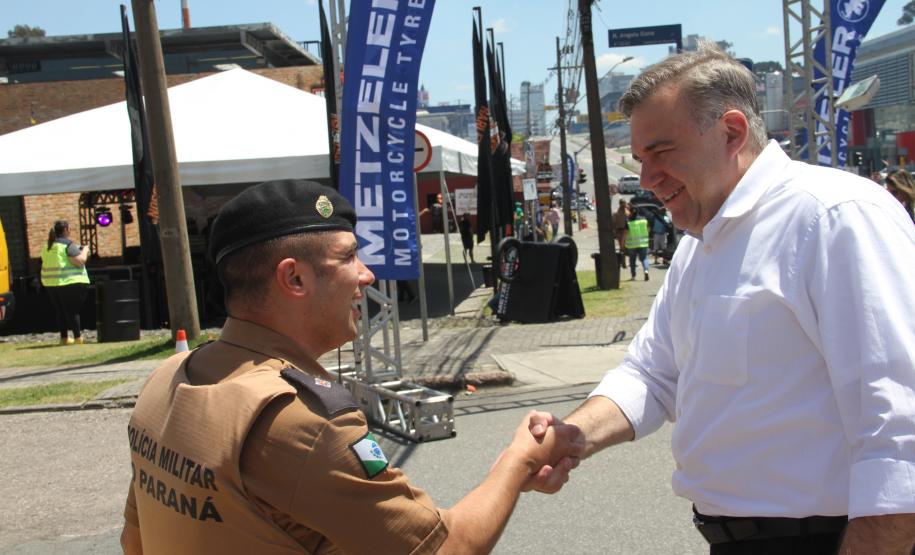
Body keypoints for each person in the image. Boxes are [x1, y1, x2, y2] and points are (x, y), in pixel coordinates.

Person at [529, 45, 915, 552]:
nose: (646, 179)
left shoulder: (834, 217)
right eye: (641, 159)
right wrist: (573, 436)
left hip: (832, 538)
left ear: (732, 132)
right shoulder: (700, 243)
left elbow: (900, 430)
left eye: (662, 152)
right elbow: (651, 374)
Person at [120, 179, 582, 555]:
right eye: (348, 257)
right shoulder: (302, 422)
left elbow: (136, 540)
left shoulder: (167, 378)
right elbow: (445, 548)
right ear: (294, 278)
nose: (367, 274)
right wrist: (519, 460)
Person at [40, 220, 89, 345]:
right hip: (69, 282)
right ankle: (78, 338)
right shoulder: (68, 245)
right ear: (66, 230)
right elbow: (79, 261)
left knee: (61, 312)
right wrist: (85, 250)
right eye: (70, 228)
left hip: (51, 283)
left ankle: (64, 338)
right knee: (72, 312)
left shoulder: (47, 246)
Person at [625, 208, 650, 281]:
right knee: (644, 258)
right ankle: (646, 270)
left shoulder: (628, 222)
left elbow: (625, 233)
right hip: (643, 243)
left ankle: (633, 276)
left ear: (631, 213)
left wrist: (623, 243)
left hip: (632, 245)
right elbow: (648, 229)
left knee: (632, 260)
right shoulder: (644, 220)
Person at [613, 199, 630, 268]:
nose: (624, 205)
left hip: (626, 231)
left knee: (625, 247)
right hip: (620, 231)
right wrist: (615, 232)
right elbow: (614, 223)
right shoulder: (617, 213)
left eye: (624, 204)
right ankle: (623, 262)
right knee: (622, 247)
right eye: (623, 204)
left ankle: (623, 261)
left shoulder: (627, 212)